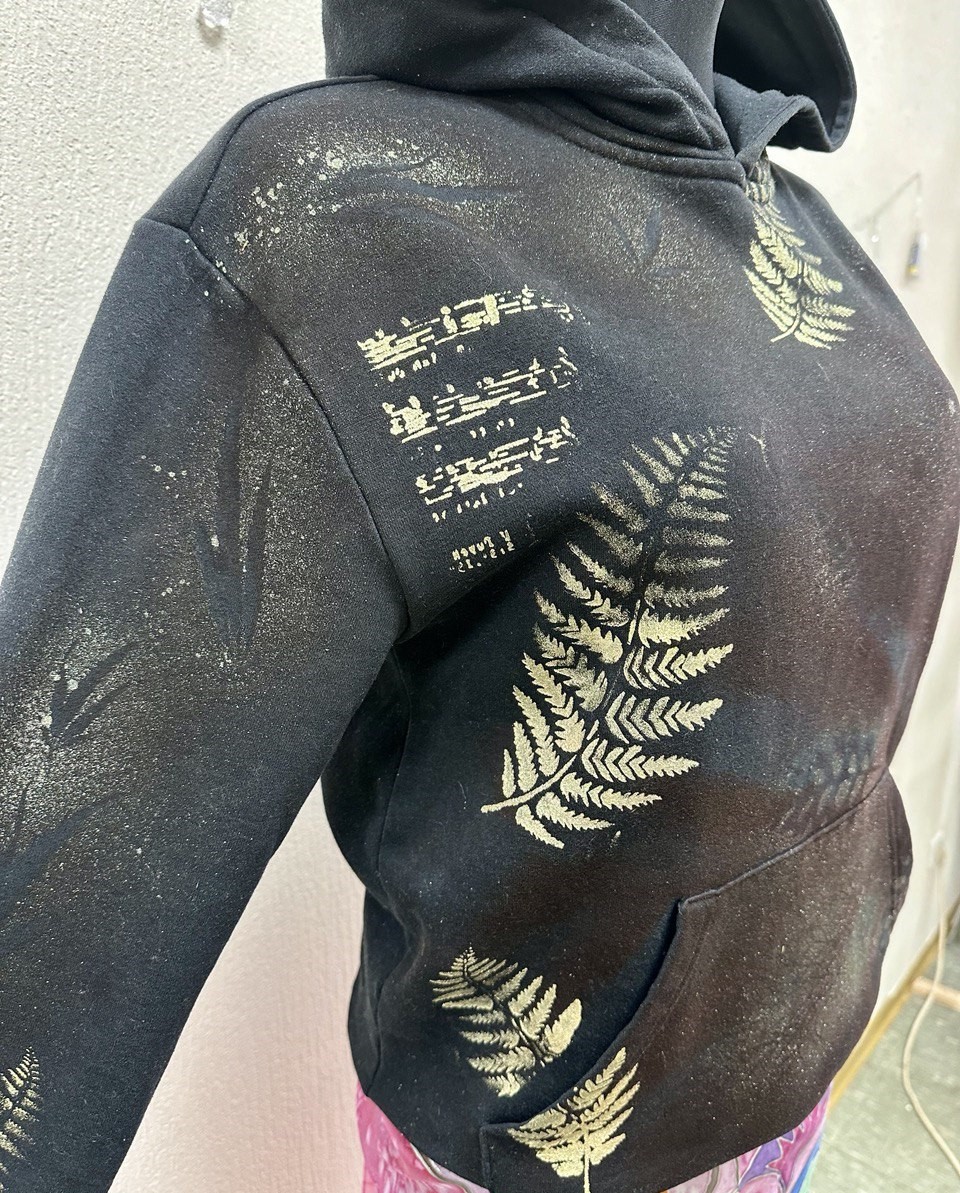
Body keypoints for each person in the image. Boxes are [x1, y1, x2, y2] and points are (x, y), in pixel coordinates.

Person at [2, 1, 958, 1191]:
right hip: (555, 1153)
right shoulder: (338, 224)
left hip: (791, 1090)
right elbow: (44, 929)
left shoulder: (792, 209)